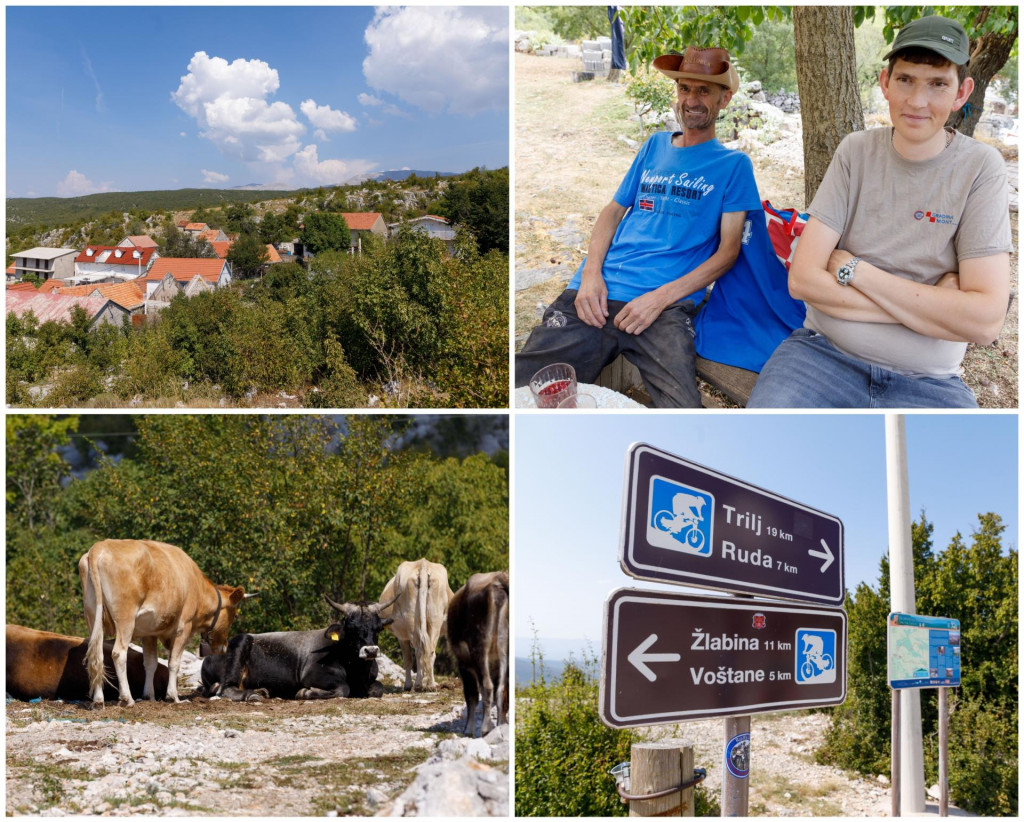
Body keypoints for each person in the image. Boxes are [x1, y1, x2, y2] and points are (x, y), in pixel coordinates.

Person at [748, 15, 1012, 408]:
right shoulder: (855, 152)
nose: (917, 101)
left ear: (962, 93)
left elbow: (985, 321)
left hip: (930, 384)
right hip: (821, 356)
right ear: (885, 83)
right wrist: (933, 313)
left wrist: (856, 271)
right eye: (905, 79)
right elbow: (802, 281)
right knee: (765, 451)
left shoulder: (981, 167)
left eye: (938, 84)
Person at [515, 46, 762, 407]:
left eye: (703, 91)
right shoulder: (653, 146)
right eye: (684, 89)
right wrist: (590, 276)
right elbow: (612, 212)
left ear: (724, 99)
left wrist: (659, 299)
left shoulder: (734, 165)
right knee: (526, 391)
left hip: (663, 308)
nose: (691, 100)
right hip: (597, 294)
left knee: (682, 412)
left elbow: (728, 252)